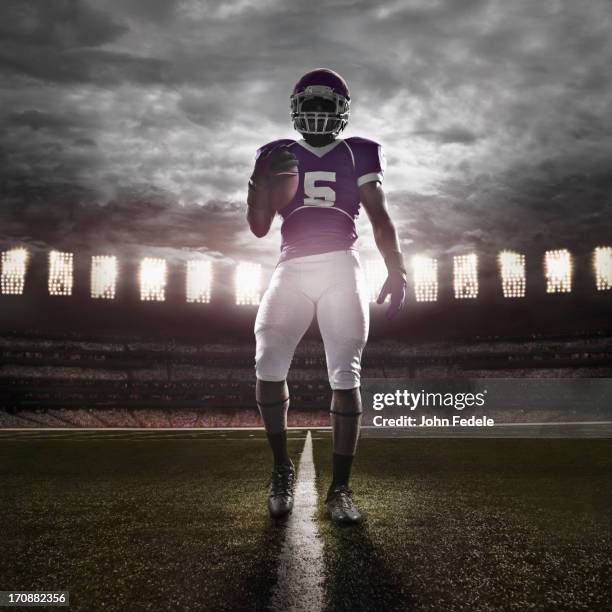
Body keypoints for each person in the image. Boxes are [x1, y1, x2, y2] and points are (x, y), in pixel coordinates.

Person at [246, 68, 406, 525]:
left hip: (341, 263)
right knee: (267, 358)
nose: (317, 114)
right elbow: (259, 227)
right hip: (292, 264)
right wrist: (257, 185)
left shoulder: (359, 152)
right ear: (298, 108)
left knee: (345, 372)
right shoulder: (277, 154)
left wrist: (396, 265)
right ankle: (281, 469)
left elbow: (380, 217)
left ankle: (340, 488)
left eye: (325, 105)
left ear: (340, 111)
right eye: (310, 105)